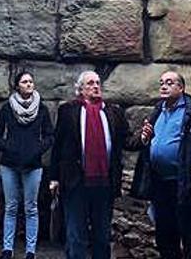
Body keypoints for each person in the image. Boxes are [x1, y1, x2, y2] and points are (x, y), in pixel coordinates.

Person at [49, 71, 130, 259]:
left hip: (104, 183)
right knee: (76, 235)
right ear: (81, 89)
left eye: (98, 83)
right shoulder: (68, 111)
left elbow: (126, 141)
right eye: (90, 83)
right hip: (76, 181)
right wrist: (54, 177)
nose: (95, 86)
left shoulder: (113, 112)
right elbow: (58, 146)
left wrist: (144, 137)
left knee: (102, 235)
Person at [129, 70, 191, 259]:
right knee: (164, 235)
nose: (164, 86)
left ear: (181, 88)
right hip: (159, 183)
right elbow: (142, 141)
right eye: (161, 82)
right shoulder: (158, 110)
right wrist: (145, 139)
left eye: (169, 83)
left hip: (183, 183)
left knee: (188, 235)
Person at [0, 71, 55, 259]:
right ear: (17, 85)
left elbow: (50, 135)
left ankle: (30, 250)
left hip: (33, 164)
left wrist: (38, 149)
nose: (28, 84)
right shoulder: (7, 108)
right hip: (9, 163)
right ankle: (7, 248)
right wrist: (8, 147)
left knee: (31, 207)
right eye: (24, 81)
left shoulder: (41, 109)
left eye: (31, 81)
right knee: (11, 206)